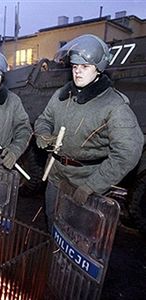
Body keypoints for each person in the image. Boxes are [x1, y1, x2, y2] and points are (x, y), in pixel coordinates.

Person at [34, 34, 143, 230]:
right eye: (75, 67)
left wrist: (92, 186)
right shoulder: (61, 95)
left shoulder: (114, 106)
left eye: (85, 67)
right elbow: (44, 119)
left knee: (78, 236)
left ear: (99, 69)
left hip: (86, 182)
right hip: (56, 177)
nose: (78, 72)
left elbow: (127, 153)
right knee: (53, 224)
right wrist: (42, 133)